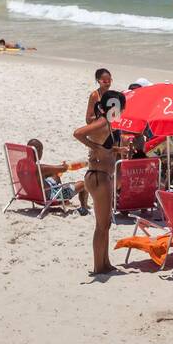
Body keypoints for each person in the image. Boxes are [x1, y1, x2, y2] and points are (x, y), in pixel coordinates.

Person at [73, 89, 128, 276]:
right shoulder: (103, 122)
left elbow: (103, 145)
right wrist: (94, 146)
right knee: (101, 226)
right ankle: (98, 267)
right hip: (98, 177)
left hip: (101, 176)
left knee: (106, 225)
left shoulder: (107, 123)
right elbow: (78, 133)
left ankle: (105, 263)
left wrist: (115, 149)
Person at [27, 138, 89, 215]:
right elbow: (63, 169)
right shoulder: (39, 168)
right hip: (49, 197)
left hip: (32, 195)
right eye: (42, 150)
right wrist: (64, 166)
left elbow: (52, 170)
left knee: (54, 174)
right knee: (83, 184)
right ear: (38, 151)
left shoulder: (20, 165)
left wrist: (57, 169)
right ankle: (84, 208)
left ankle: (65, 200)